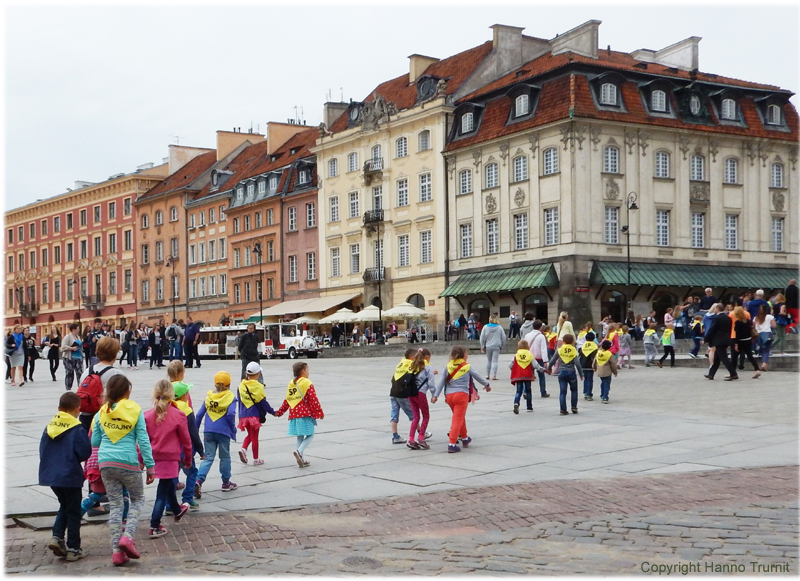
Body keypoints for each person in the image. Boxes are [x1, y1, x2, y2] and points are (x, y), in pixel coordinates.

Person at [92, 375, 155, 566]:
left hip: (106, 463)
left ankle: (116, 552)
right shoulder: (135, 410)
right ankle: (127, 536)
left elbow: (94, 442)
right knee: (137, 500)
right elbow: (143, 440)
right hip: (128, 462)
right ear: (127, 391)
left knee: (116, 505)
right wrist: (150, 466)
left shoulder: (101, 412)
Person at [39, 391, 92, 562]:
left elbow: (42, 451)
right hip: (70, 476)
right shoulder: (77, 429)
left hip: (51, 476)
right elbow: (85, 452)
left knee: (65, 505)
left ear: (59, 408)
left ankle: (57, 537)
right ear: (78, 409)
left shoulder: (49, 427)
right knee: (74, 511)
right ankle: (74, 548)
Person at [144, 380, 192, 539]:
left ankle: (177, 511)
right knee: (162, 492)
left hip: (155, 456)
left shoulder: (148, 415)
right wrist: (188, 459)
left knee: (169, 484)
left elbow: (144, 441)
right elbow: (186, 440)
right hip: (171, 457)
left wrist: (141, 459)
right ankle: (154, 524)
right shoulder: (178, 415)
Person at [431, 346, 491, 453]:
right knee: (457, 419)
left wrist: (435, 396)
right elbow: (477, 376)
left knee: (459, 416)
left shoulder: (448, 366)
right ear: (463, 355)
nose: (468, 356)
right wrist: (486, 384)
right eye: (467, 354)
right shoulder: (467, 366)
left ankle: (464, 438)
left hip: (449, 396)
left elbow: (441, 382)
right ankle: (452, 443)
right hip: (461, 395)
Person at [273, 361, 325, 467]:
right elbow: (313, 398)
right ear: (303, 371)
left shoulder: (292, 384)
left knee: (300, 436)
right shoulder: (307, 383)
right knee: (310, 434)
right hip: (304, 414)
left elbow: (287, 400)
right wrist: (319, 412)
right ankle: (299, 451)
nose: (308, 372)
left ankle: (301, 458)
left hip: (294, 414)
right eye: (307, 370)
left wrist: (280, 412)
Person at [195, 371, 239, 496]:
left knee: (208, 457)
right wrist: (232, 429)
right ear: (229, 384)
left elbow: (199, 415)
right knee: (224, 457)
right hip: (223, 431)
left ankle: (198, 480)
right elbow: (230, 414)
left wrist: (195, 430)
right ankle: (226, 482)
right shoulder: (230, 397)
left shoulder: (209, 396)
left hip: (208, 430)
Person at [169, 362, 204, 510]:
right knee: (192, 472)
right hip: (184, 448)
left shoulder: (166, 406)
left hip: (170, 449)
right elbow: (193, 431)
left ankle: (169, 504)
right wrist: (200, 450)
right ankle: (187, 499)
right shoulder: (186, 408)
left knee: (171, 474)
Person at [77, 337, 123, 431]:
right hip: (106, 418)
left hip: (86, 417)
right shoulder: (117, 374)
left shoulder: (87, 372)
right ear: (114, 354)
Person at [237, 361, 274, 466]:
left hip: (243, 415)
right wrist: (272, 412)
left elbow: (239, 401)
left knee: (250, 435)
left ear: (246, 374)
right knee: (255, 437)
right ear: (258, 374)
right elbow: (263, 402)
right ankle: (255, 458)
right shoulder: (258, 386)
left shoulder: (241, 385)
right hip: (254, 415)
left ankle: (243, 449)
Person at [546, 334, 583, 416]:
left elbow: (552, 360)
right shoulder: (573, 350)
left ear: (563, 341)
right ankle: (574, 407)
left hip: (562, 372)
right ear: (572, 341)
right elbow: (577, 363)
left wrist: (549, 368)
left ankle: (563, 409)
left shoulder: (559, 349)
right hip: (571, 372)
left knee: (563, 392)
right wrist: (581, 374)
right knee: (574, 390)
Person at [407, 348, 435, 449]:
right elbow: (431, 382)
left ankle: (411, 439)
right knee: (426, 416)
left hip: (411, 393)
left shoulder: (412, 365)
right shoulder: (427, 366)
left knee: (416, 417)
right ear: (427, 357)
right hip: (421, 393)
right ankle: (421, 437)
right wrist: (434, 395)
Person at [389, 348, 419, 445]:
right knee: (413, 415)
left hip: (393, 393)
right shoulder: (411, 364)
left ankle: (395, 436)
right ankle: (421, 432)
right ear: (412, 357)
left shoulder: (400, 364)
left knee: (394, 415)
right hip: (403, 394)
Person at [704, 304, 738, 381]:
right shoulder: (728, 318)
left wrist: (706, 339)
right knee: (717, 358)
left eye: (715, 308)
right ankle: (711, 374)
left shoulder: (717, 318)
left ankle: (733, 374)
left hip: (719, 340)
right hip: (726, 339)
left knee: (724, 358)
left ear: (717, 309)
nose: (714, 310)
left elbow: (712, 329)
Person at [509, 340, 542, 414]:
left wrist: (514, 369)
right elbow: (535, 365)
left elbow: (510, 365)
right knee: (528, 390)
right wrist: (541, 369)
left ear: (518, 347)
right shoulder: (530, 355)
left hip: (518, 375)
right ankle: (529, 406)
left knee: (518, 391)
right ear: (528, 347)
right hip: (527, 376)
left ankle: (516, 402)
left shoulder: (516, 355)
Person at [523, 319, 550, 398]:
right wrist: (545, 361)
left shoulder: (527, 335)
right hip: (539, 359)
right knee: (541, 376)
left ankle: (525, 391)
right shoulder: (541, 336)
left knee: (528, 376)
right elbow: (543, 349)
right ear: (540, 327)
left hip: (529, 358)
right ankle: (543, 392)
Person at [732, 307, 761, 379]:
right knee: (750, 356)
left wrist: (736, 344)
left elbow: (737, 334)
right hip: (748, 340)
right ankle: (757, 370)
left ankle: (732, 372)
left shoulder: (738, 322)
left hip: (740, 341)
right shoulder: (748, 321)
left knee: (734, 357)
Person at [480, 313, 506, 381]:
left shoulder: (485, 327)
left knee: (488, 360)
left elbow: (482, 337)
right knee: (495, 361)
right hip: (497, 346)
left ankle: (487, 375)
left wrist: (482, 345)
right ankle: (494, 375)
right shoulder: (499, 327)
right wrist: (502, 345)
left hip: (488, 346)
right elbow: (504, 337)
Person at [592, 340, 618, 404]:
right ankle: (605, 396)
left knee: (603, 383)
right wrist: (615, 372)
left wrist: (594, 367)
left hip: (600, 372)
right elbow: (613, 364)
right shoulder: (609, 354)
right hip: (607, 372)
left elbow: (594, 361)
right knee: (607, 384)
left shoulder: (598, 353)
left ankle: (602, 394)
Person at [61, 323, 84, 391]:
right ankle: (68, 388)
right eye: (78, 329)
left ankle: (80, 387)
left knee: (80, 373)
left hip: (78, 357)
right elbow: (63, 347)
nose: (79, 330)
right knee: (69, 373)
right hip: (69, 358)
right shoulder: (67, 337)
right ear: (73, 329)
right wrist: (71, 348)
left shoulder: (78, 337)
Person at [753, 305, 775, 372]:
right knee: (766, 350)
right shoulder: (769, 317)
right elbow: (774, 325)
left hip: (758, 335)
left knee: (762, 348)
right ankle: (764, 364)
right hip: (767, 334)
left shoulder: (755, 318)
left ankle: (758, 352)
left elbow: (753, 326)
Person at [579, 331, 598, 400]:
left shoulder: (583, 346)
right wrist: (595, 366)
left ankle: (585, 392)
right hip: (590, 366)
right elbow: (595, 358)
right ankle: (589, 394)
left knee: (585, 379)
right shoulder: (595, 346)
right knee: (590, 379)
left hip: (583, 365)